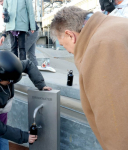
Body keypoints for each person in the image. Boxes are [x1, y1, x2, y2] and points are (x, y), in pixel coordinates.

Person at [50, 6, 128, 150]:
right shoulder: (117, 25)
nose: (67, 51)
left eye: (63, 45)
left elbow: (116, 122)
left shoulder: (100, 46)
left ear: (70, 35)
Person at [0, 50, 51, 150]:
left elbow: (28, 64)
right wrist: (24, 136)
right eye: (9, 82)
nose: (11, 83)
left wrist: (41, 85)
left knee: (3, 143)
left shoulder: (9, 69)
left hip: (0, 113)